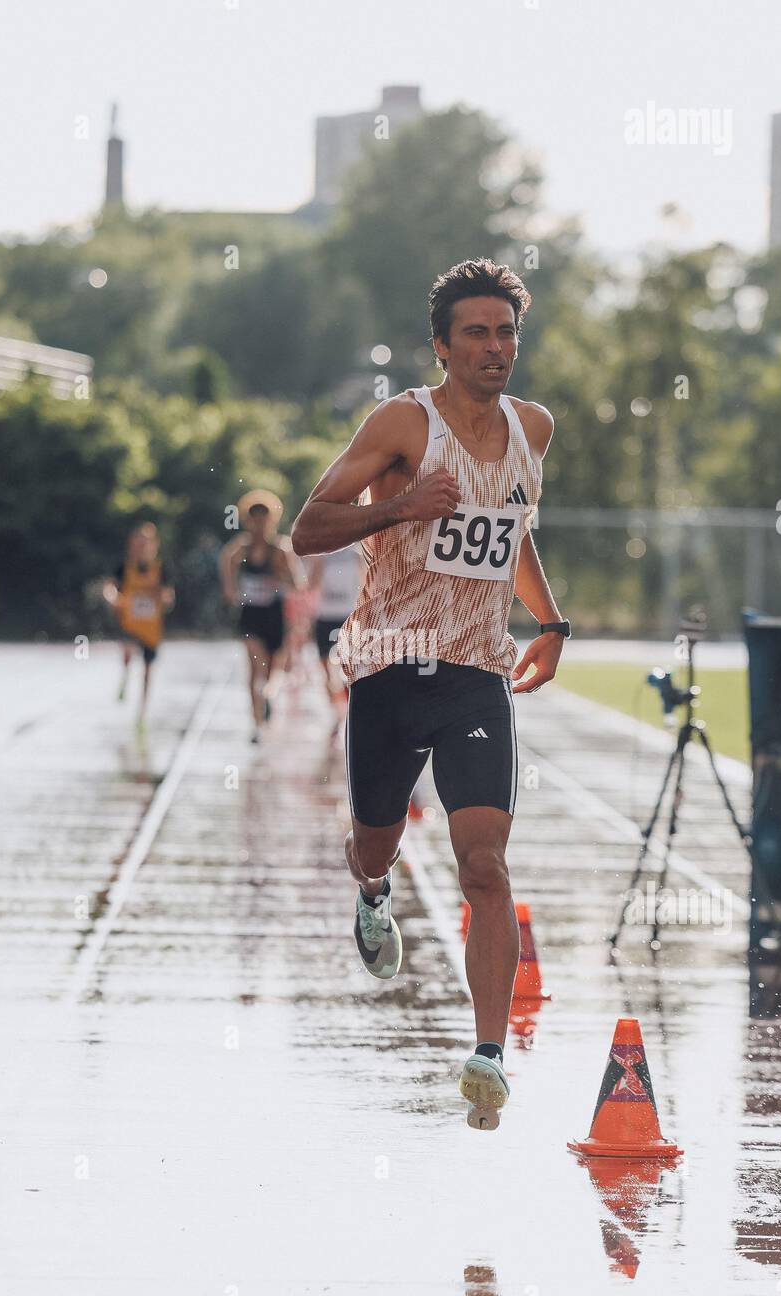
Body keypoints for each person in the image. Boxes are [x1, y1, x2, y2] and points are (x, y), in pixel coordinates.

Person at [291, 258, 569, 1130]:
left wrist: (551, 622)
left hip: (478, 673)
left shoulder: (535, 426)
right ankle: (372, 891)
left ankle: (488, 1053)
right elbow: (308, 529)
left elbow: (511, 534)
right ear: (442, 347)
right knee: (376, 841)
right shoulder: (404, 422)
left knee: (484, 865)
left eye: (506, 332)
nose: (496, 348)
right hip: (389, 666)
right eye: (477, 334)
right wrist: (401, 507)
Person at [219, 490, 304, 742]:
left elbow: (298, 584)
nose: (259, 523)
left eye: (264, 518)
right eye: (254, 518)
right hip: (250, 614)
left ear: (272, 520)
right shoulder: (241, 548)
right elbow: (226, 561)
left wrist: (277, 578)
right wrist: (230, 590)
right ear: (247, 519)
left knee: (269, 672)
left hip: (274, 615)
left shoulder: (280, 549)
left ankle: (266, 698)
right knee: (255, 665)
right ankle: (255, 722)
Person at [102, 522, 175, 730]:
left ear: (154, 546)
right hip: (130, 624)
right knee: (128, 647)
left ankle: (141, 712)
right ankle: (124, 677)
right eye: (138, 543)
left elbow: (169, 595)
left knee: (148, 670)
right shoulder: (123, 567)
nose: (142, 547)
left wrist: (164, 598)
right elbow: (110, 587)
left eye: (146, 543)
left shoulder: (161, 569)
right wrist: (113, 598)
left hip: (151, 628)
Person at [305, 543, 366, 734]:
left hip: (347, 618)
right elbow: (310, 585)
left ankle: (348, 712)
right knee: (325, 670)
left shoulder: (356, 554)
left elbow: (367, 585)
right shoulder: (322, 554)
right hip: (324, 617)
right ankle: (335, 711)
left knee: (347, 670)